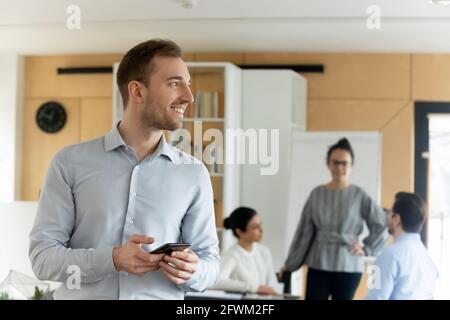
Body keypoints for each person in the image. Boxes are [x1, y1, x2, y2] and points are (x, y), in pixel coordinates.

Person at [29, 39, 220, 299]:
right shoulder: (69, 163)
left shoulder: (194, 173)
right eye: (175, 83)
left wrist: (194, 271)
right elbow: (43, 259)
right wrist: (113, 259)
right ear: (137, 92)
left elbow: (210, 263)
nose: (188, 96)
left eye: (188, 84)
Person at [280, 138, 388, 300]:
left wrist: (366, 249)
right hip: (318, 264)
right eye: (335, 162)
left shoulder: (359, 195)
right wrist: (291, 264)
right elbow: (304, 232)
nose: (339, 167)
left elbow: (381, 224)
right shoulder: (317, 194)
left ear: (351, 165)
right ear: (328, 164)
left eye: (344, 163)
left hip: (349, 266)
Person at [365, 192, 438, 300]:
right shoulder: (427, 258)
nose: (387, 216)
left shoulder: (388, 255)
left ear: (396, 219)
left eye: (390, 213)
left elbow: (375, 297)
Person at [211, 207, 280, 295]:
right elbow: (216, 282)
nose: (261, 230)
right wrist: (255, 288)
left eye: (260, 225)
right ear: (239, 231)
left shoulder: (264, 251)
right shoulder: (231, 255)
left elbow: (273, 284)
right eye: (255, 227)